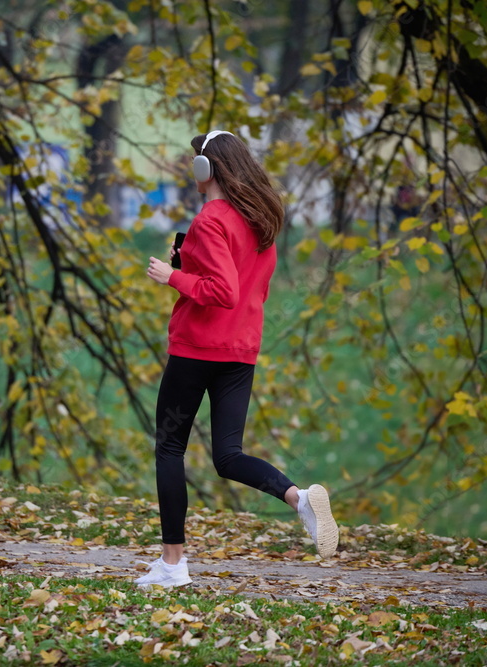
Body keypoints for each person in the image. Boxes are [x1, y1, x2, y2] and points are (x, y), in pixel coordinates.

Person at [140, 130, 338, 588]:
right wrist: (188, 266)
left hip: (197, 348)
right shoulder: (261, 222)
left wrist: (172, 276)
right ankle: (300, 498)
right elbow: (247, 286)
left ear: (205, 169)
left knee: (170, 448)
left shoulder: (212, 218)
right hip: (241, 351)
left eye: (195, 161)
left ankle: (173, 566)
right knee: (228, 455)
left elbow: (222, 292)